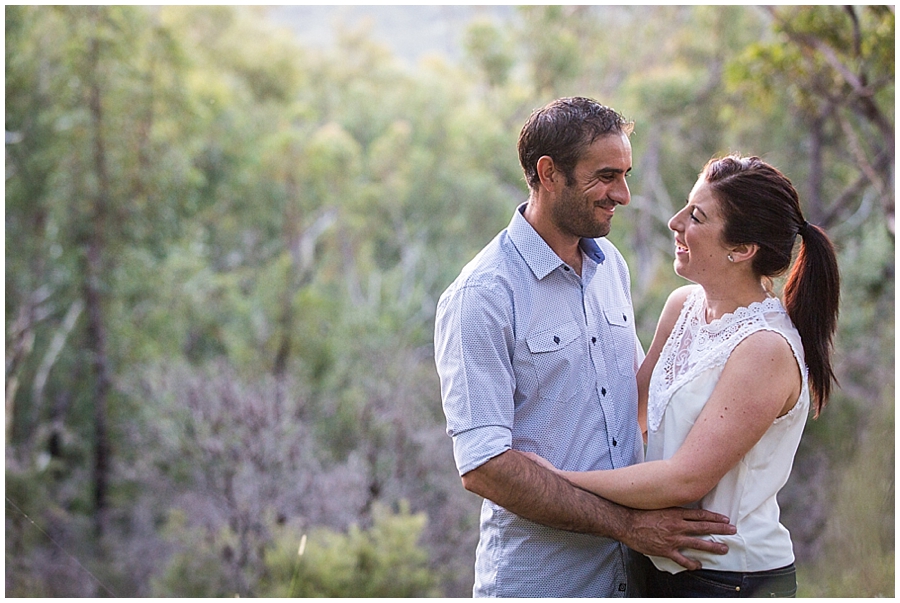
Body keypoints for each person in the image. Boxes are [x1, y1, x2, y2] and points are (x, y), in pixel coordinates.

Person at [433, 97, 736, 598]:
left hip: (638, 577)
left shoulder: (610, 264)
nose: (624, 194)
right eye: (606, 176)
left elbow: (631, 405)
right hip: (544, 584)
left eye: (627, 174)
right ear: (548, 173)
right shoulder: (482, 296)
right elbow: (485, 467)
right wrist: (626, 526)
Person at [523, 155, 841, 597]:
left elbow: (686, 478)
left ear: (742, 249)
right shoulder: (683, 307)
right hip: (654, 562)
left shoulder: (765, 348)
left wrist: (555, 482)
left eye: (696, 216)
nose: (675, 223)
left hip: (729, 577)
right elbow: (627, 416)